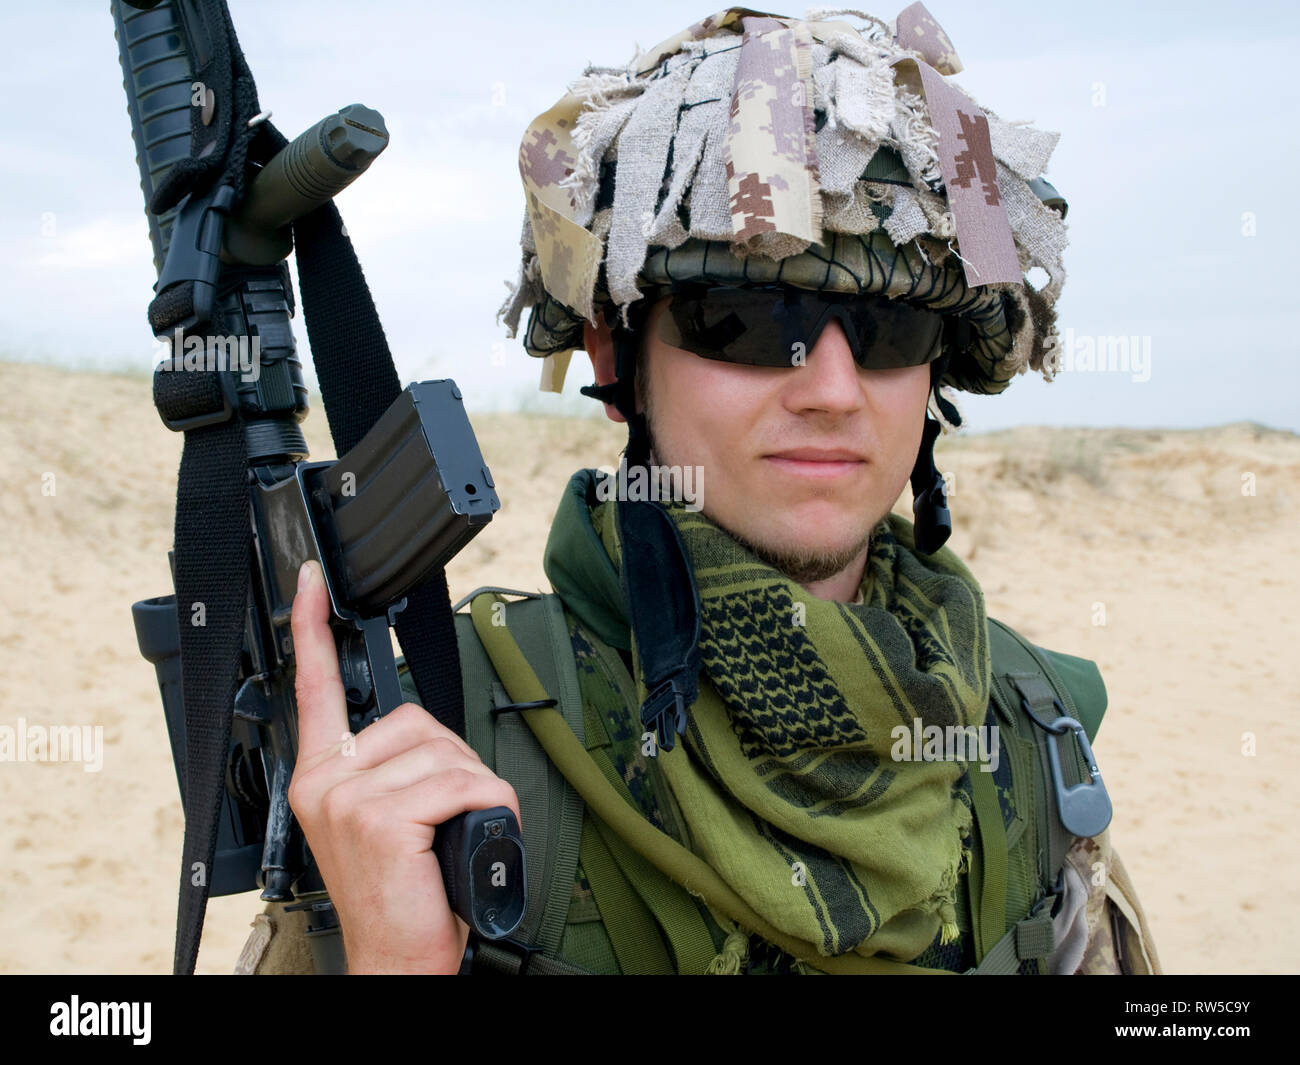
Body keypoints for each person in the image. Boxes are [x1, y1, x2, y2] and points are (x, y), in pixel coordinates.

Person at [238, 4, 1160, 975]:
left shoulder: (1025, 727)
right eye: (748, 319)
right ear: (615, 356)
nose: (834, 392)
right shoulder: (432, 758)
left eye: (892, 333)